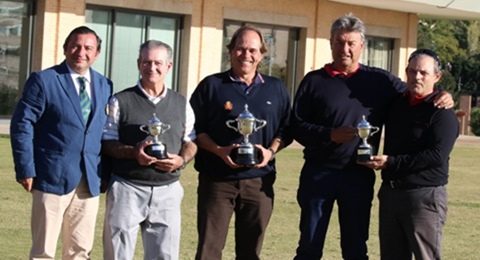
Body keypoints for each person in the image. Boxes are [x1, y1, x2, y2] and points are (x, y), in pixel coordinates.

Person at [290, 14, 453, 259]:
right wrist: (329, 134)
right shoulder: (314, 81)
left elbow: (418, 89)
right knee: (309, 247)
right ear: (331, 42)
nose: (345, 49)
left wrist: (443, 94)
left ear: (362, 46)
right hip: (319, 173)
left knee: (355, 248)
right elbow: (296, 126)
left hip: (358, 175)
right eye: (339, 42)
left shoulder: (380, 81)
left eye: (351, 43)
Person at [189, 24, 292, 260]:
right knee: (209, 250)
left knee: (250, 252)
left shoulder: (276, 89)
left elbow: (287, 127)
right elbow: (194, 128)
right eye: (240, 48)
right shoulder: (211, 86)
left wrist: (271, 151)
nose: (246, 55)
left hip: (259, 182)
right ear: (230, 51)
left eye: (253, 50)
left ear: (262, 54)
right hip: (217, 181)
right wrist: (218, 150)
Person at [10, 26, 113, 259]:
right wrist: (26, 168)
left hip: (90, 179)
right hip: (50, 176)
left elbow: (104, 132)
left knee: (80, 250)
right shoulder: (44, 80)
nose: (81, 52)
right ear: (65, 48)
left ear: (97, 53)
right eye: (75, 46)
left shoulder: (105, 85)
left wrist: (105, 173)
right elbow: (22, 125)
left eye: (88, 48)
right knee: (43, 251)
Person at [101, 40, 197, 260]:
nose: (151, 67)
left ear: (169, 66)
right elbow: (107, 143)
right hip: (127, 188)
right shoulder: (120, 100)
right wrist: (134, 152)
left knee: (165, 256)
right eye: (146, 62)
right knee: (117, 255)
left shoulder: (181, 103)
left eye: (157, 63)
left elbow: (190, 142)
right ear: (138, 63)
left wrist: (181, 160)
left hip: (168, 190)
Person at [360, 49, 458, 259]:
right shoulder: (397, 103)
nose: (417, 77)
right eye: (412, 71)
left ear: (437, 76)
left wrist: (391, 163)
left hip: (424, 196)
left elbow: (436, 155)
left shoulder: (441, 112)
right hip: (391, 193)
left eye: (423, 72)